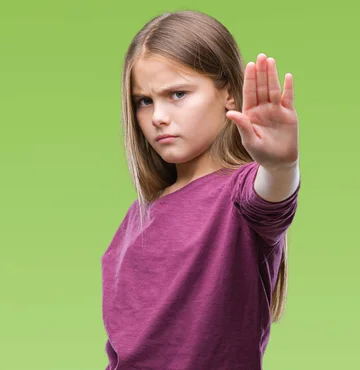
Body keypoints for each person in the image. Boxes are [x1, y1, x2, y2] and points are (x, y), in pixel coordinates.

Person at [101, 10, 301, 370]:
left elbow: (273, 197)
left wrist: (281, 165)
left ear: (227, 92)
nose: (158, 116)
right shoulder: (137, 217)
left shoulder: (240, 193)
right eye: (143, 101)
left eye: (177, 94)